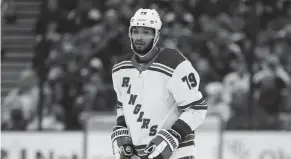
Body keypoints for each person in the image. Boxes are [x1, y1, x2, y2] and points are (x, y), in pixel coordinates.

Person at [111, 8, 207, 159]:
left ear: (156, 35)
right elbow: (122, 105)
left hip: (177, 154)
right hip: (139, 154)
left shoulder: (175, 63)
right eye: (135, 31)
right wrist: (121, 127)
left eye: (146, 32)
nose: (139, 37)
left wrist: (174, 135)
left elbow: (197, 108)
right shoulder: (120, 68)